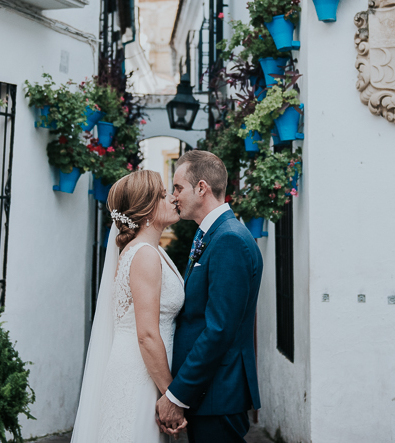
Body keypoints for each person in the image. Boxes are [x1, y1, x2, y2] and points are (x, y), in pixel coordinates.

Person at [71, 170, 186, 443]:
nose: (172, 198)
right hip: (140, 373)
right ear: (146, 210)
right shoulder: (144, 255)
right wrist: (171, 394)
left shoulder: (150, 250)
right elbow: (146, 334)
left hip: (146, 370)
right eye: (162, 195)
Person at [156, 150, 263, 443]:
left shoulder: (229, 239)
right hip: (209, 393)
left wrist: (177, 395)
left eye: (178, 187)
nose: (174, 196)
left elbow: (219, 330)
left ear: (201, 188)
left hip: (219, 392)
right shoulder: (214, 234)